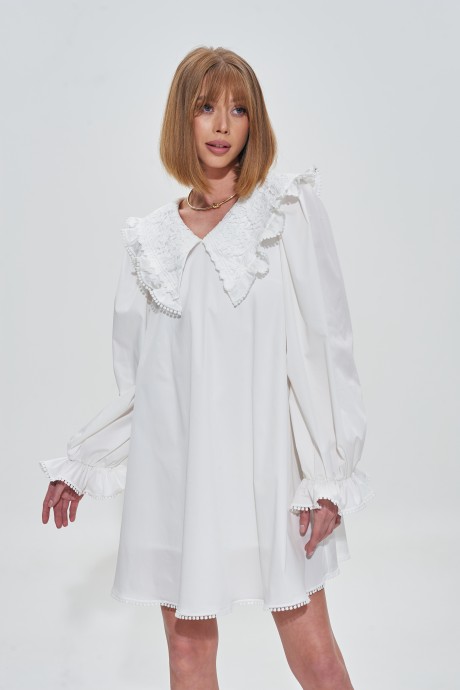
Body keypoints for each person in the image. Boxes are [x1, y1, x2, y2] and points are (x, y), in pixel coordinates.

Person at [39, 46, 374, 690]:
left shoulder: (285, 214)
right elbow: (145, 387)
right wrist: (85, 462)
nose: (222, 125)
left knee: (315, 656)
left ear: (255, 123)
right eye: (205, 107)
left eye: (238, 110)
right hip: (178, 479)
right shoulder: (150, 242)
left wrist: (329, 476)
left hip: (270, 474)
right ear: (181, 119)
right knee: (187, 654)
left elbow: (325, 347)